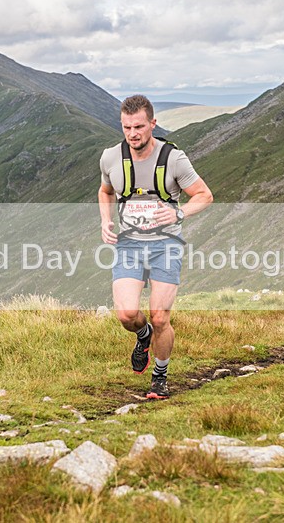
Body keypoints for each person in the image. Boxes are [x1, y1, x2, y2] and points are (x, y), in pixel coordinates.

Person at [98, 94, 213, 399]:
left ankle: (159, 376)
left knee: (160, 316)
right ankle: (142, 334)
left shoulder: (174, 159)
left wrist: (178, 212)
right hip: (129, 244)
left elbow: (204, 195)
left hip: (166, 244)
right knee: (126, 314)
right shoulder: (111, 158)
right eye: (126, 127)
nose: (133, 133)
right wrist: (105, 221)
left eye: (138, 126)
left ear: (152, 123)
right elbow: (105, 190)